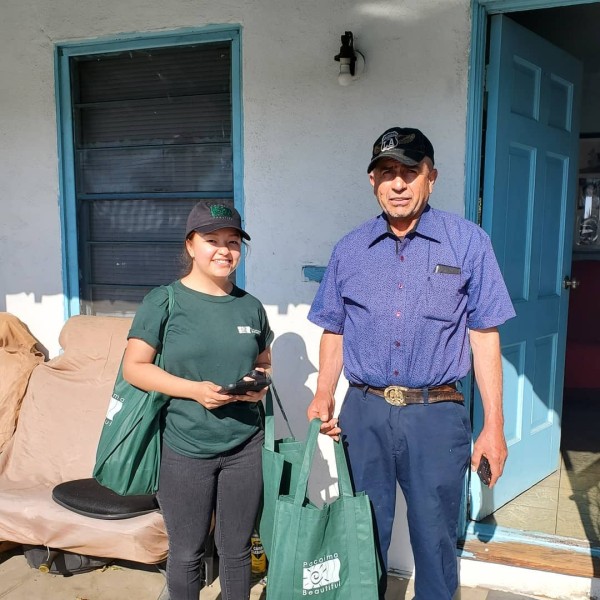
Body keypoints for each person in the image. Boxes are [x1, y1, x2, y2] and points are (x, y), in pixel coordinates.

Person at [307, 127, 515, 600]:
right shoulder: (350, 248)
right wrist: (324, 393)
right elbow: (334, 328)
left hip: (436, 415)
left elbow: (484, 336)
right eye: (387, 173)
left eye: (409, 172)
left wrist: (494, 426)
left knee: (436, 538)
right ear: (372, 181)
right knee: (363, 533)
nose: (397, 184)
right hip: (365, 413)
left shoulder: (468, 243)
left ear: (431, 177)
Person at [122, 200, 273, 600]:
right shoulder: (164, 301)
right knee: (187, 553)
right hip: (185, 445)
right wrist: (194, 390)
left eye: (233, 241)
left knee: (237, 550)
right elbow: (134, 367)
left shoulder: (250, 306)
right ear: (190, 245)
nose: (224, 250)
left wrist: (259, 383)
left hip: (245, 444)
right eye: (212, 240)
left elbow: (263, 361)